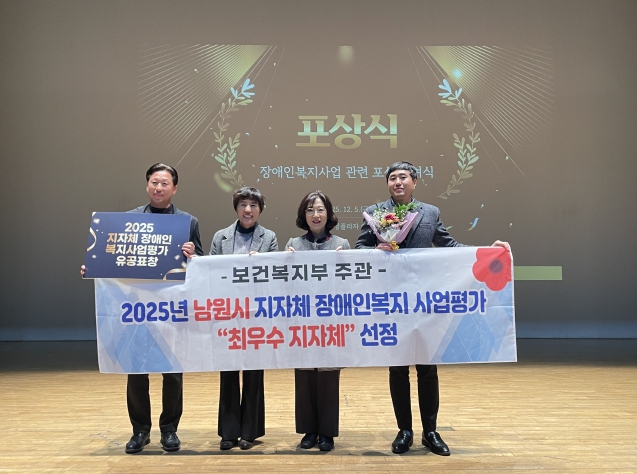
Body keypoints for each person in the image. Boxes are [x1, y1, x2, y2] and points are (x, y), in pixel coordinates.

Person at [355, 161, 510, 456]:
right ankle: (404, 431)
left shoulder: (430, 212)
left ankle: (430, 432)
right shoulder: (375, 212)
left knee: (427, 368)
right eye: (392, 178)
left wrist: (487, 252)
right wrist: (376, 250)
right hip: (391, 299)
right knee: (398, 368)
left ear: (415, 181)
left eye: (403, 177)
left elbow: (448, 244)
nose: (397, 182)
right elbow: (359, 248)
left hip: (424, 299)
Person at [82, 162, 203, 454]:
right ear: (147, 185)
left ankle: (169, 430)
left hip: (171, 310)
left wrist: (193, 254)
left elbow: (200, 265)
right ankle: (140, 431)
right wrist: (93, 268)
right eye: (154, 182)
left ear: (175, 188)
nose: (158, 187)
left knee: (173, 372)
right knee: (136, 371)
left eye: (164, 183)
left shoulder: (188, 222)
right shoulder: (129, 220)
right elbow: (113, 257)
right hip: (137, 310)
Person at [209, 186, 278, 450]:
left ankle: (250, 431)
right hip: (227, 313)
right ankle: (228, 432)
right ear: (236, 208)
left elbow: (275, 275)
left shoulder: (268, 237)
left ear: (260, 209)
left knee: (253, 372)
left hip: (256, 314)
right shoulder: (221, 237)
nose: (248, 210)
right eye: (243, 205)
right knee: (228, 372)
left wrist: (264, 262)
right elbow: (210, 271)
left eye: (253, 205)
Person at [285, 191, 350, 452]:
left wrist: (344, 262)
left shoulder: (342, 244)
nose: (315, 214)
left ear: (328, 213)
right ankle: (309, 430)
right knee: (304, 376)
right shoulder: (294, 244)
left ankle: (327, 433)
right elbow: (284, 284)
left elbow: (350, 284)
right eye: (310, 210)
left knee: (328, 377)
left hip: (330, 321)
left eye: (320, 209)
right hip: (302, 320)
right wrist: (286, 262)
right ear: (304, 215)